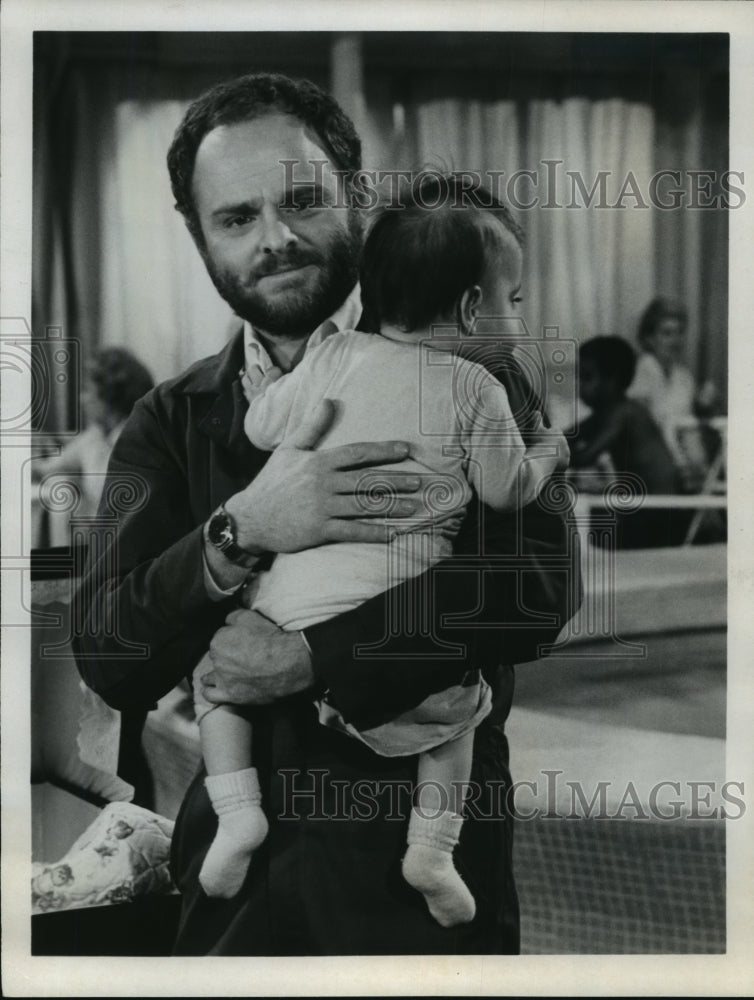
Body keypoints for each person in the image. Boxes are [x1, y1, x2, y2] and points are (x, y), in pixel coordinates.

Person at [73, 72, 580, 955]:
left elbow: (536, 588)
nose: (276, 239)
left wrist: (312, 658)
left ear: (355, 197)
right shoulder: (172, 417)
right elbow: (110, 654)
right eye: (236, 219)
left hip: (424, 884)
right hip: (237, 898)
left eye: (302, 200)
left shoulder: (484, 370)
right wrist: (239, 533)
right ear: (201, 241)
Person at [192, 185, 569, 928]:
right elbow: (505, 491)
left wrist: (315, 650)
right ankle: (432, 848)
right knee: (460, 714)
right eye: (514, 301)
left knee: (214, 688)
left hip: (286, 607)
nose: (518, 324)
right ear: (468, 309)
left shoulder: (335, 358)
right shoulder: (480, 387)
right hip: (406, 671)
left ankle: (237, 813)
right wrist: (549, 454)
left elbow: (537, 592)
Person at [570, 335, 682, 548]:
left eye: (586, 377)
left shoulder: (624, 412)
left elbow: (586, 456)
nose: (579, 386)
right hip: (647, 510)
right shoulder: (608, 412)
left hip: (661, 513)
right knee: (591, 526)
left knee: (590, 531)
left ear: (611, 380)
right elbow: (567, 436)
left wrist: (545, 457)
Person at [34, 347, 154, 534]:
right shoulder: (95, 436)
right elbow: (47, 468)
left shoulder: (140, 442)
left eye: (87, 390)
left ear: (109, 396)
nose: (82, 399)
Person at [628, 297, 717, 488]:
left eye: (679, 333)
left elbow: (688, 418)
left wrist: (703, 406)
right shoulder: (642, 371)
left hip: (686, 457)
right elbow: (641, 423)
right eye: (667, 334)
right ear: (649, 338)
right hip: (653, 458)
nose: (675, 340)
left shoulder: (684, 377)